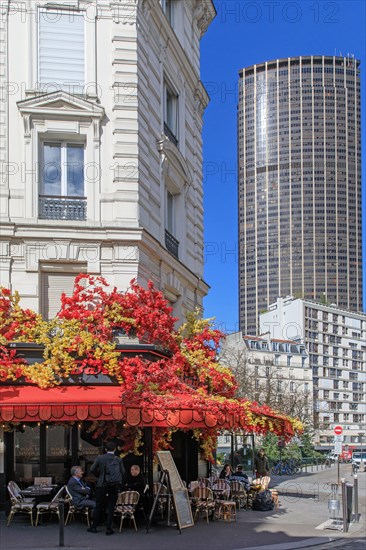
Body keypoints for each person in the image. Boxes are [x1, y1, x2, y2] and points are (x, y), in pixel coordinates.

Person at [87, 441, 125, 536]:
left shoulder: (100, 458)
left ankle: (94, 527)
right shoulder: (118, 459)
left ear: (105, 449)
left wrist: (100, 476)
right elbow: (123, 472)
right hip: (114, 485)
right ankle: (109, 529)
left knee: (99, 505)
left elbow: (92, 469)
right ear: (115, 449)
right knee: (111, 506)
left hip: (102, 484)